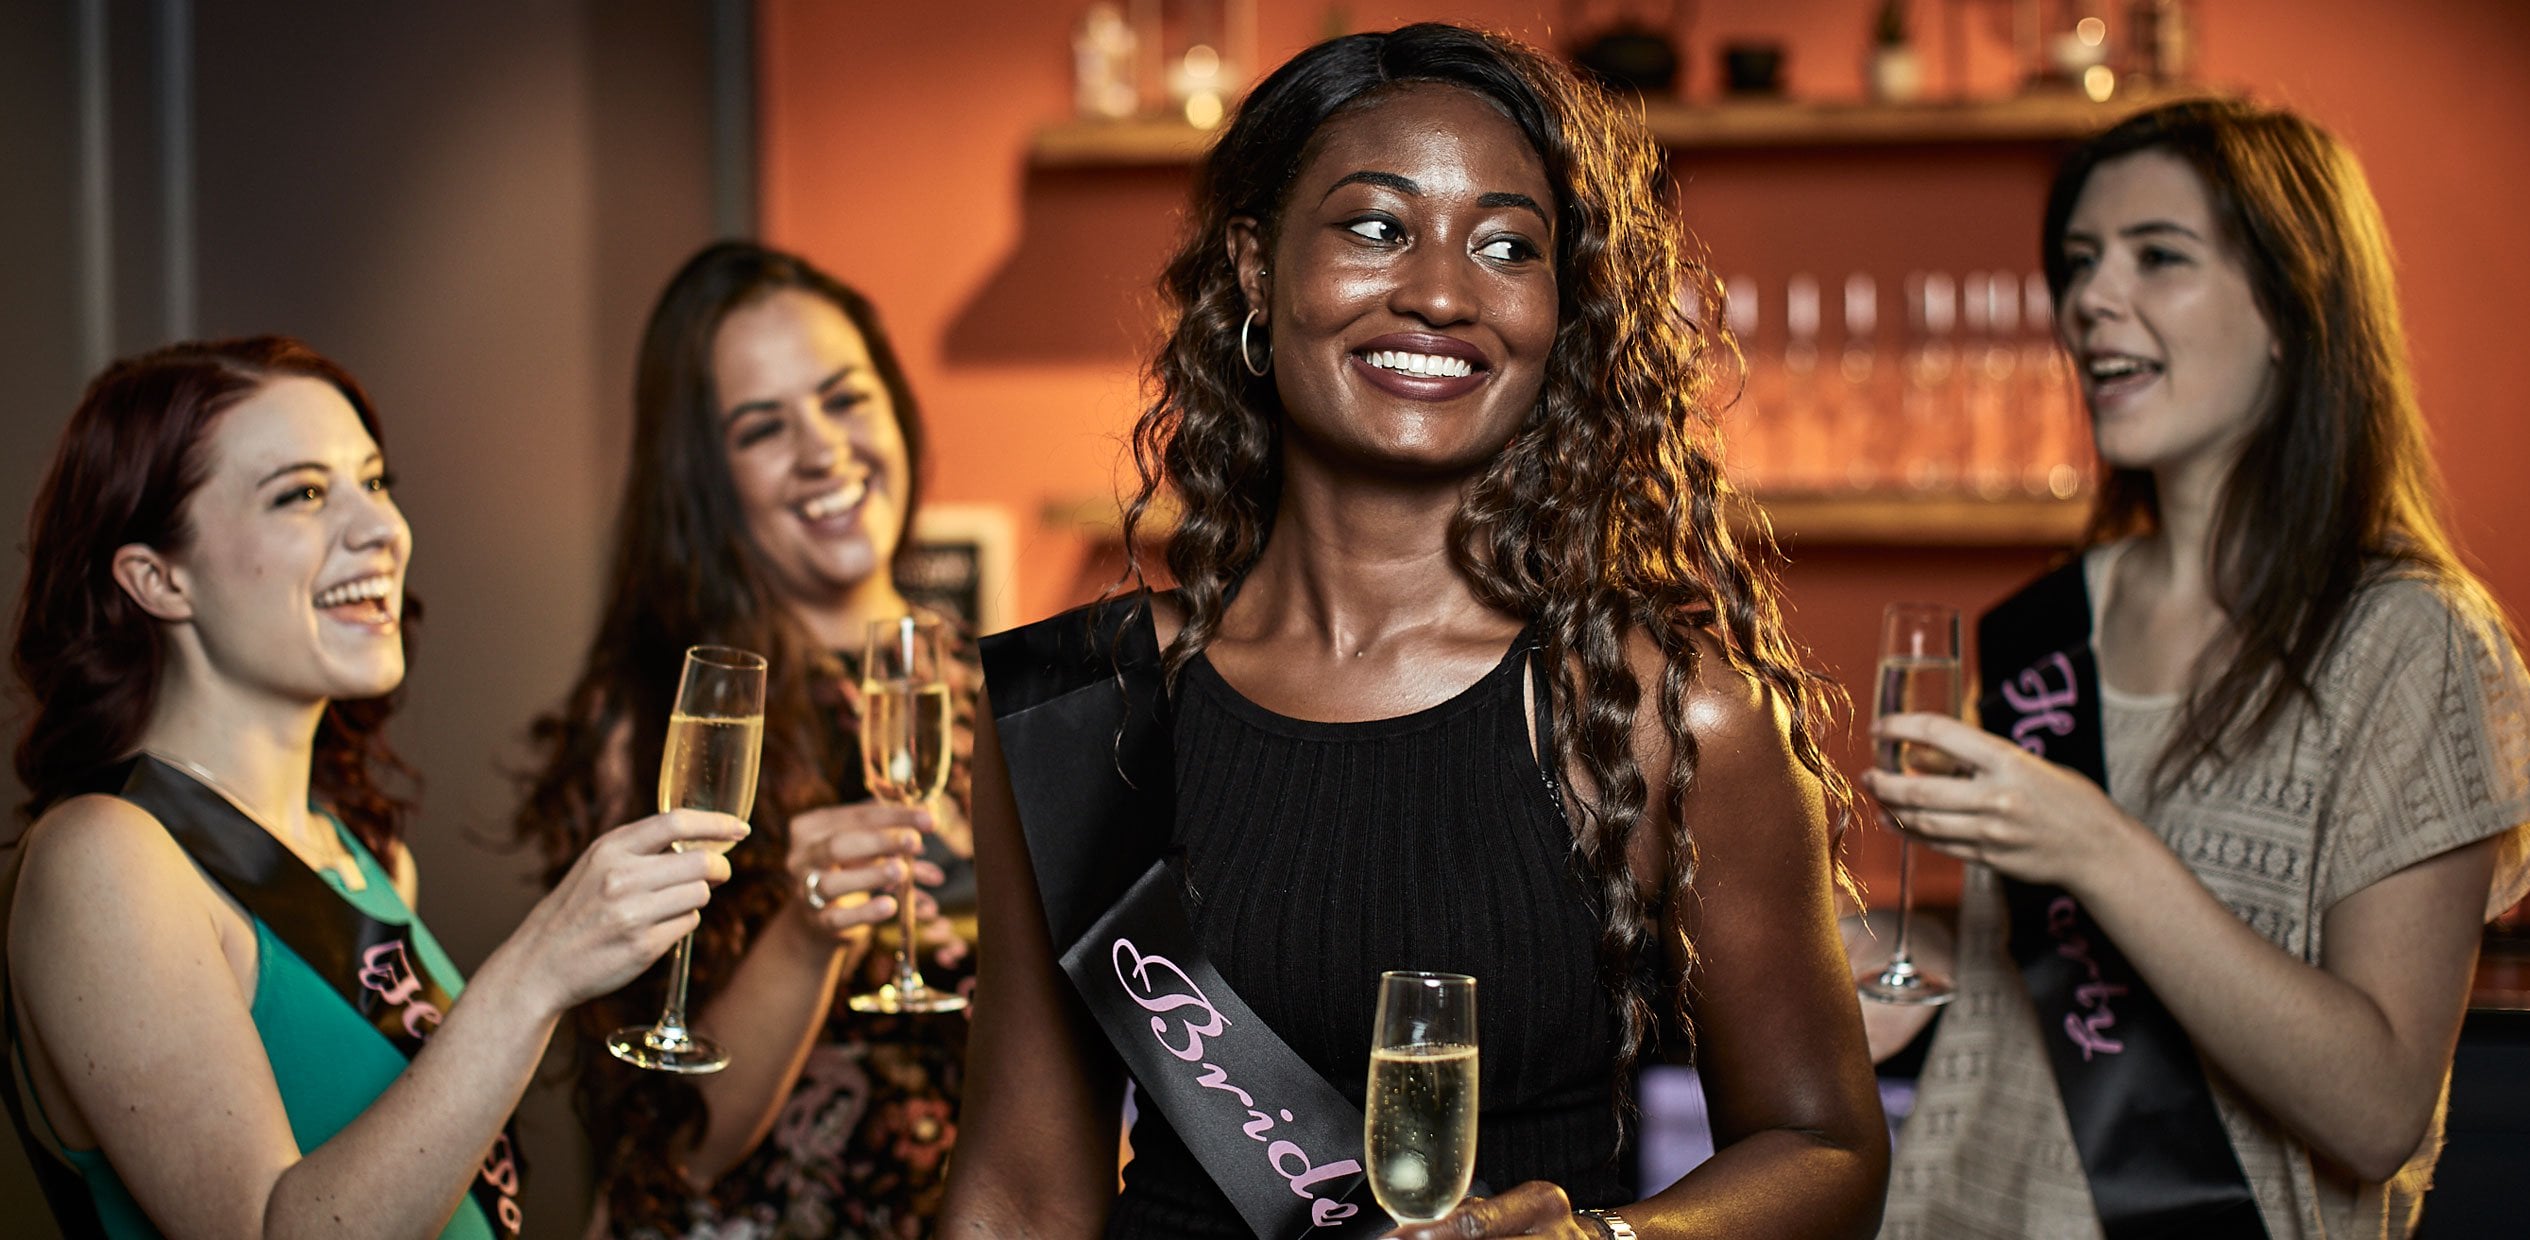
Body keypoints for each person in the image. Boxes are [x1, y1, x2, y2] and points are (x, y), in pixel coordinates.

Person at [943, 23, 1887, 1240]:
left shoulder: (1663, 715)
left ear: (1560, 309)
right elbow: (1021, 1195)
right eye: (1377, 228)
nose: (1441, 293)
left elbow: (1826, 1149)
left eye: (1507, 247)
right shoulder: (1083, 702)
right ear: (1254, 268)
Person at [1870, 98, 2530, 1239]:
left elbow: (2377, 1109)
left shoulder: (2408, 642)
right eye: (2080, 261)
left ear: (2291, 304)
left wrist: (2096, 844)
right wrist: (1911, 959)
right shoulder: (2045, 624)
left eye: (2158, 256)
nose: (2091, 298)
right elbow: (2066, 981)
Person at [2, 338, 743, 1238]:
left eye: (375, 483)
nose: (385, 530)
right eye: (303, 494)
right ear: (160, 579)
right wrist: (538, 971)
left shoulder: (363, 856)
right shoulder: (105, 858)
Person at [516, 241, 975, 1238]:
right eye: (762, 428)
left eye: (845, 400)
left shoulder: (1001, 693)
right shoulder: (663, 720)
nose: (824, 450)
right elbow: (675, 1148)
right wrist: (807, 934)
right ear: (706, 476)